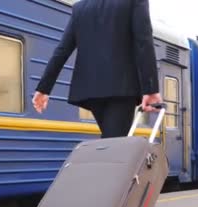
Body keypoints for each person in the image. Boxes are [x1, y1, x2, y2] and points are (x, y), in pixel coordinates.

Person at [32, 0, 162, 138]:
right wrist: (151, 88)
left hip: (91, 91)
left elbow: (62, 50)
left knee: (111, 140)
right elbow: (144, 42)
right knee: (114, 145)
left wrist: (44, 88)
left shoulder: (81, 7)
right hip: (122, 88)